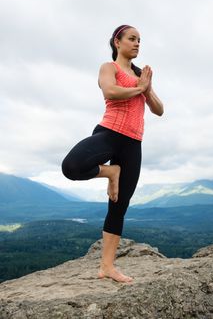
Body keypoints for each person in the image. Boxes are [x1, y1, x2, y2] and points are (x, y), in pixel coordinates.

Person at [61, 24, 164, 283]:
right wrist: (139, 89)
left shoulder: (142, 75)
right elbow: (110, 91)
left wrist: (147, 88)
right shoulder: (110, 68)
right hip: (109, 132)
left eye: (140, 39)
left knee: (119, 207)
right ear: (117, 42)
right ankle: (110, 171)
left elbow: (159, 110)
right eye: (132, 38)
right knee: (71, 166)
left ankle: (107, 266)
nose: (137, 43)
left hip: (133, 144)